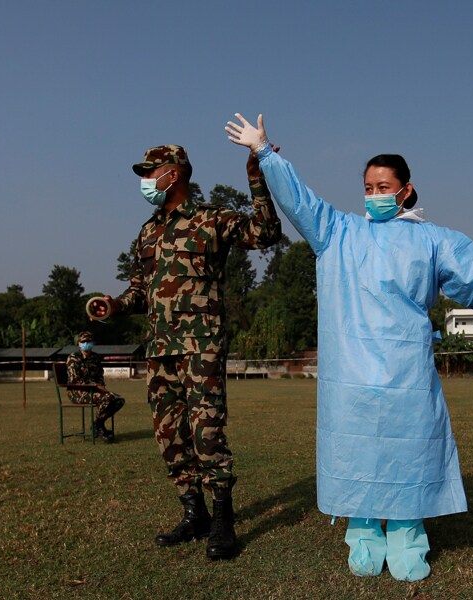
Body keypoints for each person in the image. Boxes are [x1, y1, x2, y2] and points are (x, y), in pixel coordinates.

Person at [225, 114, 473, 581]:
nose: (374, 195)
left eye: (383, 186)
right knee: (357, 455)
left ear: (406, 190)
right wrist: (266, 153)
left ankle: (408, 537)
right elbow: (299, 202)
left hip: (406, 372)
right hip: (350, 376)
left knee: (409, 454)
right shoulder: (337, 232)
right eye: (367, 187)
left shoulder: (433, 242)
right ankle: (363, 534)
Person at [89, 144, 281, 560]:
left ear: (172, 174)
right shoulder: (147, 232)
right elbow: (141, 290)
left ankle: (222, 520)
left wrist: (256, 177)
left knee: (206, 434)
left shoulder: (211, 218)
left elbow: (265, 233)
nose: (144, 180)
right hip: (160, 351)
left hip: (201, 348)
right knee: (169, 438)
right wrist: (117, 304)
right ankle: (193, 513)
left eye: (150, 171)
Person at [66, 331, 125, 443]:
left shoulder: (96, 358)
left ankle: (97, 424)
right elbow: (75, 380)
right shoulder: (73, 358)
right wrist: (95, 386)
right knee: (107, 398)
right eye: (84, 341)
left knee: (118, 400)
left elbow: (99, 376)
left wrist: (101, 385)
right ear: (79, 343)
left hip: (95, 391)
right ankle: (99, 428)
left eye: (89, 341)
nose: (86, 343)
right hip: (77, 392)